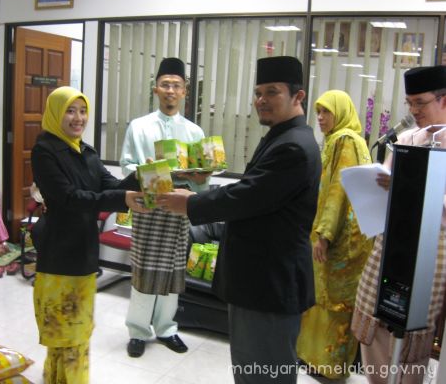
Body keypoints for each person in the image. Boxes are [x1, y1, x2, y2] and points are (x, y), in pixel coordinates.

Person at [157, 56, 322, 384]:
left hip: (268, 285)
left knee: (263, 374)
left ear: (298, 96)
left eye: (272, 92)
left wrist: (191, 203)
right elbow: (254, 193)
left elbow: (248, 196)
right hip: (259, 281)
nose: (261, 100)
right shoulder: (282, 136)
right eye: (258, 92)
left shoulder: (293, 146)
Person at [31, 86, 146, 384]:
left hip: (84, 249)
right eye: (70, 111)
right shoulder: (45, 151)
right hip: (59, 251)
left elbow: (112, 186)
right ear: (56, 113)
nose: (78, 118)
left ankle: (57, 378)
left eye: (83, 111)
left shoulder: (86, 151)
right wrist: (122, 199)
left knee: (77, 328)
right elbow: (69, 198)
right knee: (64, 329)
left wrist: (144, 175)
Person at [351, 65, 446, 384]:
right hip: (390, 244)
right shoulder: (407, 139)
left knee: (413, 335)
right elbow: (386, 183)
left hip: (433, 250)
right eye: (410, 103)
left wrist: (411, 188)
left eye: (420, 102)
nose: (414, 110)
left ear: (444, 99)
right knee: (376, 321)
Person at [119, 57, 210, 358]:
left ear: (184, 92)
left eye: (176, 85)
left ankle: (167, 328)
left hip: (178, 210)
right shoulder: (139, 127)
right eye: (165, 85)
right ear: (156, 89)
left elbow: (200, 181)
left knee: (173, 272)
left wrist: (200, 177)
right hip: (148, 207)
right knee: (144, 271)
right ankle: (138, 331)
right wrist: (143, 168)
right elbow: (125, 165)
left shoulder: (195, 133)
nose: (171, 90)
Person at [295, 90, 374, 378]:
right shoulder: (344, 139)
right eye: (318, 112)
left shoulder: (345, 140)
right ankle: (315, 359)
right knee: (322, 298)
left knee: (333, 302)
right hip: (343, 236)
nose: (320, 118)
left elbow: (339, 192)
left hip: (340, 240)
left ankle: (329, 366)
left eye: (326, 111)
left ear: (340, 112)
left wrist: (324, 235)